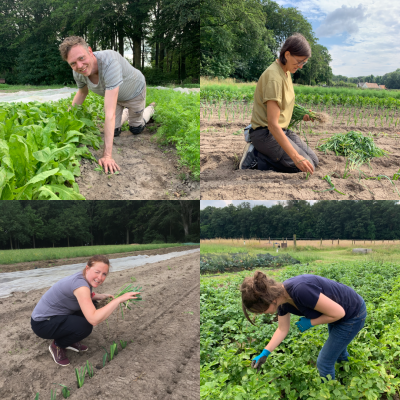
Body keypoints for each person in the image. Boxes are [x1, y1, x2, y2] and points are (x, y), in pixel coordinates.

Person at [240, 271, 367, 381]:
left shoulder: (300, 290)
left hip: (353, 314)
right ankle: (350, 375)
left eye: (261, 310)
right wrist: (265, 352)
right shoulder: (281, 301)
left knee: (324, 363)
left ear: (269, 300)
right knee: (338, 352)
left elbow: (339, 313)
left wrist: (310, 322)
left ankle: (330, 392)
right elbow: (282, 329)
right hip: (337, 314)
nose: (262, 313)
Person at [59, 36, 156, 174]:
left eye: (81, 58)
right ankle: (126, 113)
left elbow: (109, 113)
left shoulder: (110, 62)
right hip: (114, 97)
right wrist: (66, 119)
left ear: (90, 51)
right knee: (114, 132)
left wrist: (107, 156)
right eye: (73, 63)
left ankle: (150, 108)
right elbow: (82, 93)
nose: (79, 66)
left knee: (136, 129)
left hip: (134, 93)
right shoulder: (77, 73)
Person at [31, 255, 140, 366]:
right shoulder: (81, 285)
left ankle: (68, 339)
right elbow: (94, 319)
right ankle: (58, 345)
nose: (100, 277)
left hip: (56, 315)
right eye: (97, 272)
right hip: (42, 323)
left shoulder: (82, 277)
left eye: (104, 274)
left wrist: (100, 296)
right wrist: (119, 300)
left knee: (91, 306)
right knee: (85, 326)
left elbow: (82, 296)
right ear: (87, 268)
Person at [239, 33, 318, 174]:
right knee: (301, 165)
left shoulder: (286, 72)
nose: (300, 67)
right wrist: (295, 157)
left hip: (282, 131)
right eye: (299, 61)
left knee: (313, 161)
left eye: (303, 63)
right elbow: (272, 125)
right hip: (265, 134)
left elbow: (284, 105)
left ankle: (265, 155)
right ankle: (256, 157)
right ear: (287, 54)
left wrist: (303, 115)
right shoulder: (274, 78)